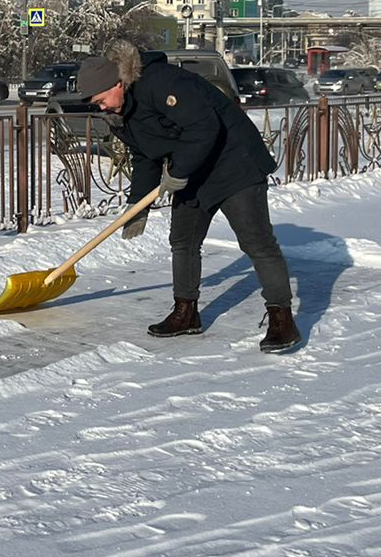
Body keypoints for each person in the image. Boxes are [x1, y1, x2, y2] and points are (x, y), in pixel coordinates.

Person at [73, 45, 301, 353]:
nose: (101, 108)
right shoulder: (121, 112)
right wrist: (138, 206)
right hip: (193, 168)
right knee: (183, 240)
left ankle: (282, 319)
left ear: (117, 84)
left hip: (234, 162)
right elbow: (145, 157)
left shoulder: (161, 82)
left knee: (256, 242)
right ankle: (186, 313)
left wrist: (178, 171)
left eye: (101, 101)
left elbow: (205, 126)